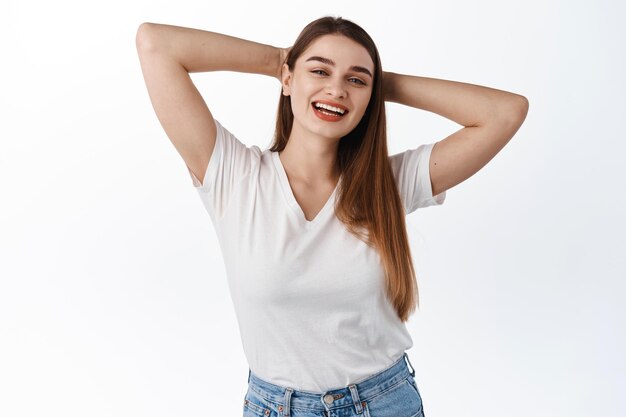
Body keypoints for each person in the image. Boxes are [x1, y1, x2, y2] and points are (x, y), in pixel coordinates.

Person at [136, 15, 528, 417]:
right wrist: (277, 62)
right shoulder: (234, 176)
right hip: (274, 407)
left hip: (383, 403)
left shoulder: (387, 185)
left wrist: (381, 86)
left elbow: (505, 112)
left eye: (356, 80)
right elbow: (156, 43)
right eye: (319, 70)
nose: (336, 89)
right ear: (288, 81)